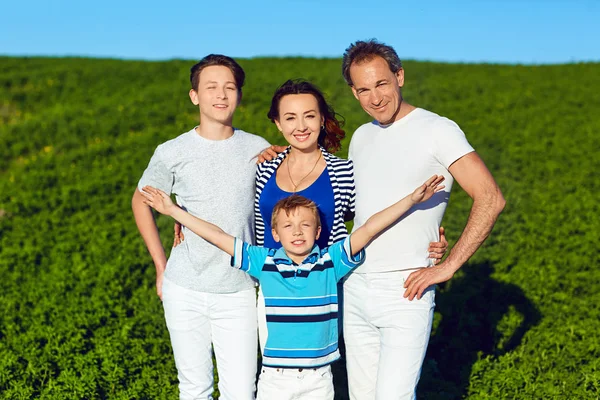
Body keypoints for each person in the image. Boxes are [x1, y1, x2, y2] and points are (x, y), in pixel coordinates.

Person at [138, 173, 446, 400]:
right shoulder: (265, 261)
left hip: (319, 380)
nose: (296, 232)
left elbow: (368, 230)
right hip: (275, 379)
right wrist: (174, 211)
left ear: (318, 230)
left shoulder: (331, 261)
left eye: (304, 225)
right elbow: (219, 236)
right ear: (274, 232)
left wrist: (411, 201)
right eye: (287, 226)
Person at [340, 39, 506, 399]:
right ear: (354, 93)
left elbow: (490, 197)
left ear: (399, 76)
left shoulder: (437, 129)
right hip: (355, 284)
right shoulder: (361, 136)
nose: (375, 97)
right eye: (364, 89)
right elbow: (361, 208)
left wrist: (447, 267)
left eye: (382, 83)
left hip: (406, 289)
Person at [131, 54, 270, 400]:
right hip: (185, 288)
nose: (221, 95)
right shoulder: (172, 151)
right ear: (195, 96)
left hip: (238, 289)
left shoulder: (258, 148)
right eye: (211, 87)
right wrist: (161, 266)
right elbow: (140, 200)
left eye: (229, 87)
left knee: (241, 391)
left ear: (239, 94)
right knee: (194, 389)